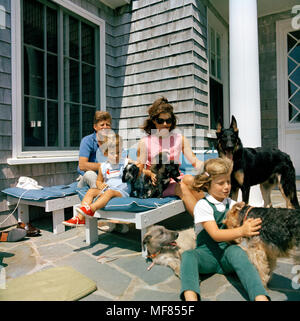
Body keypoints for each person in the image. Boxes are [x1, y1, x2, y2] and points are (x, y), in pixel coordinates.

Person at [180, 157, 270, 301]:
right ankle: (191, 297)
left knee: (239, 253)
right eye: (221, 183)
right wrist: (242, 231)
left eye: (228, 181)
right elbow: (215, 234)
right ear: (207, 185)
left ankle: (259, 296)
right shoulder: (203, 205)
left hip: (227, 254)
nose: (227, 187)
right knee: (188, 256)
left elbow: (247, 216)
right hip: (206, 256)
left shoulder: (232, 203)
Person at [137, 97, 204, 216]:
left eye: (168, 121)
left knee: (191, 179)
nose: (165, 124)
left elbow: (195, 161)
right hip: (157, 184)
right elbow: (139, 169)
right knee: (181, 187)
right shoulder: (145, 142)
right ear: (153, 121)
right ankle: (205, 223)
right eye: (160, 121)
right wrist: (150, 173)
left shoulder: (180, 139)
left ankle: (212, 216)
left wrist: (210, 169)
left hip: (175, 178)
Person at [71, 134, 132, 232]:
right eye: (112, 153)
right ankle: (80, 218)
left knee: (110, 192)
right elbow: (99, 180)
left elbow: (138, 165)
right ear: (105, 153)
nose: (116, 155)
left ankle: (91, 209)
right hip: (108, 189)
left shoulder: (124, 162)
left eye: (118, 152)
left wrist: (149, 173)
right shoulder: (103, 166)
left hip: (121, 192)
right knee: (91, 191)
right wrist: (99, 184)